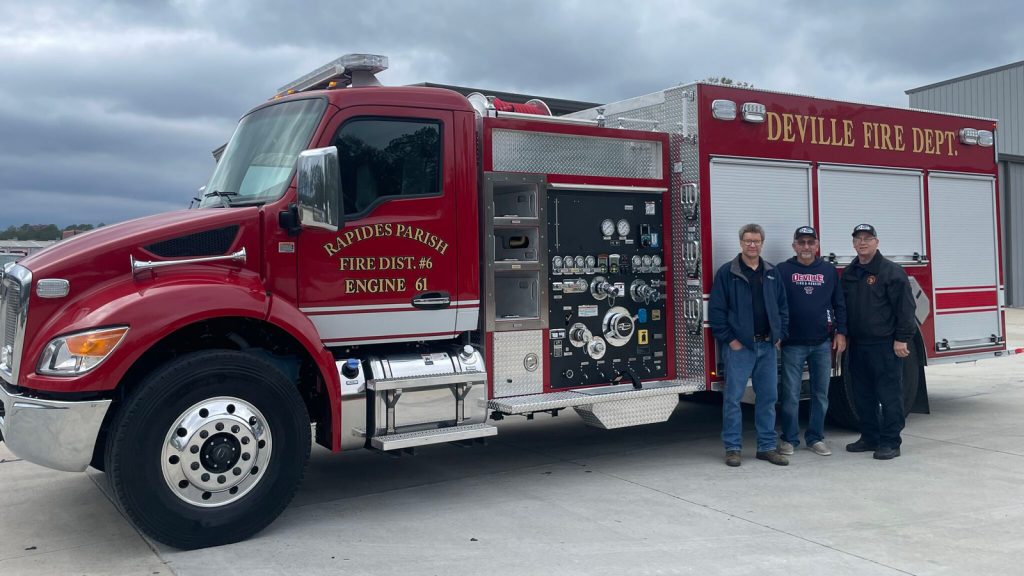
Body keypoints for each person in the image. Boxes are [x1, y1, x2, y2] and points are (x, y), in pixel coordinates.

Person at [709, 223, 789, 467]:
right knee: (733, 399)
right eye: (748, 241)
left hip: (767, 346)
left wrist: (779, 334)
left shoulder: (772, 272)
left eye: (756, 241)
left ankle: (766, 447)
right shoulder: (727, 273)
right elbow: (717, 311)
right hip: (740, 348)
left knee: (768, 398)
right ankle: (733, 449)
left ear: (762, 243)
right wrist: (731, 341)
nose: (752, 245)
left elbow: (783, 307)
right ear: (741, 243)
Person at [841, 224, 917, 460]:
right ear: (853, 243)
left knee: (889, 394)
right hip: (858, 344)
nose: (862, 242)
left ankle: (891, 442)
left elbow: (906, 309)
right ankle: (869, 437)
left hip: (884, 345)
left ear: (877, 242)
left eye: (867, 238)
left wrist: (902, 339)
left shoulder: (891, 272)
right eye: (858, 239)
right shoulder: (850, 272)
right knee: (863, 395)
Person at [776, 226, 847, 457]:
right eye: (801, 242)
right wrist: (777, 333)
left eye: (810, 242)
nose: (806, 246)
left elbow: (839, 303)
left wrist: (840, 332)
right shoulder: (782, 270)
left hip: (822, 343)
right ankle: (789, 439)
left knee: (820, 394)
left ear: (817, 245)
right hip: (792, 344)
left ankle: (815, 438)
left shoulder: (828, 271)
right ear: (794, 245)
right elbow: (774, 304)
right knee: (790, 395)